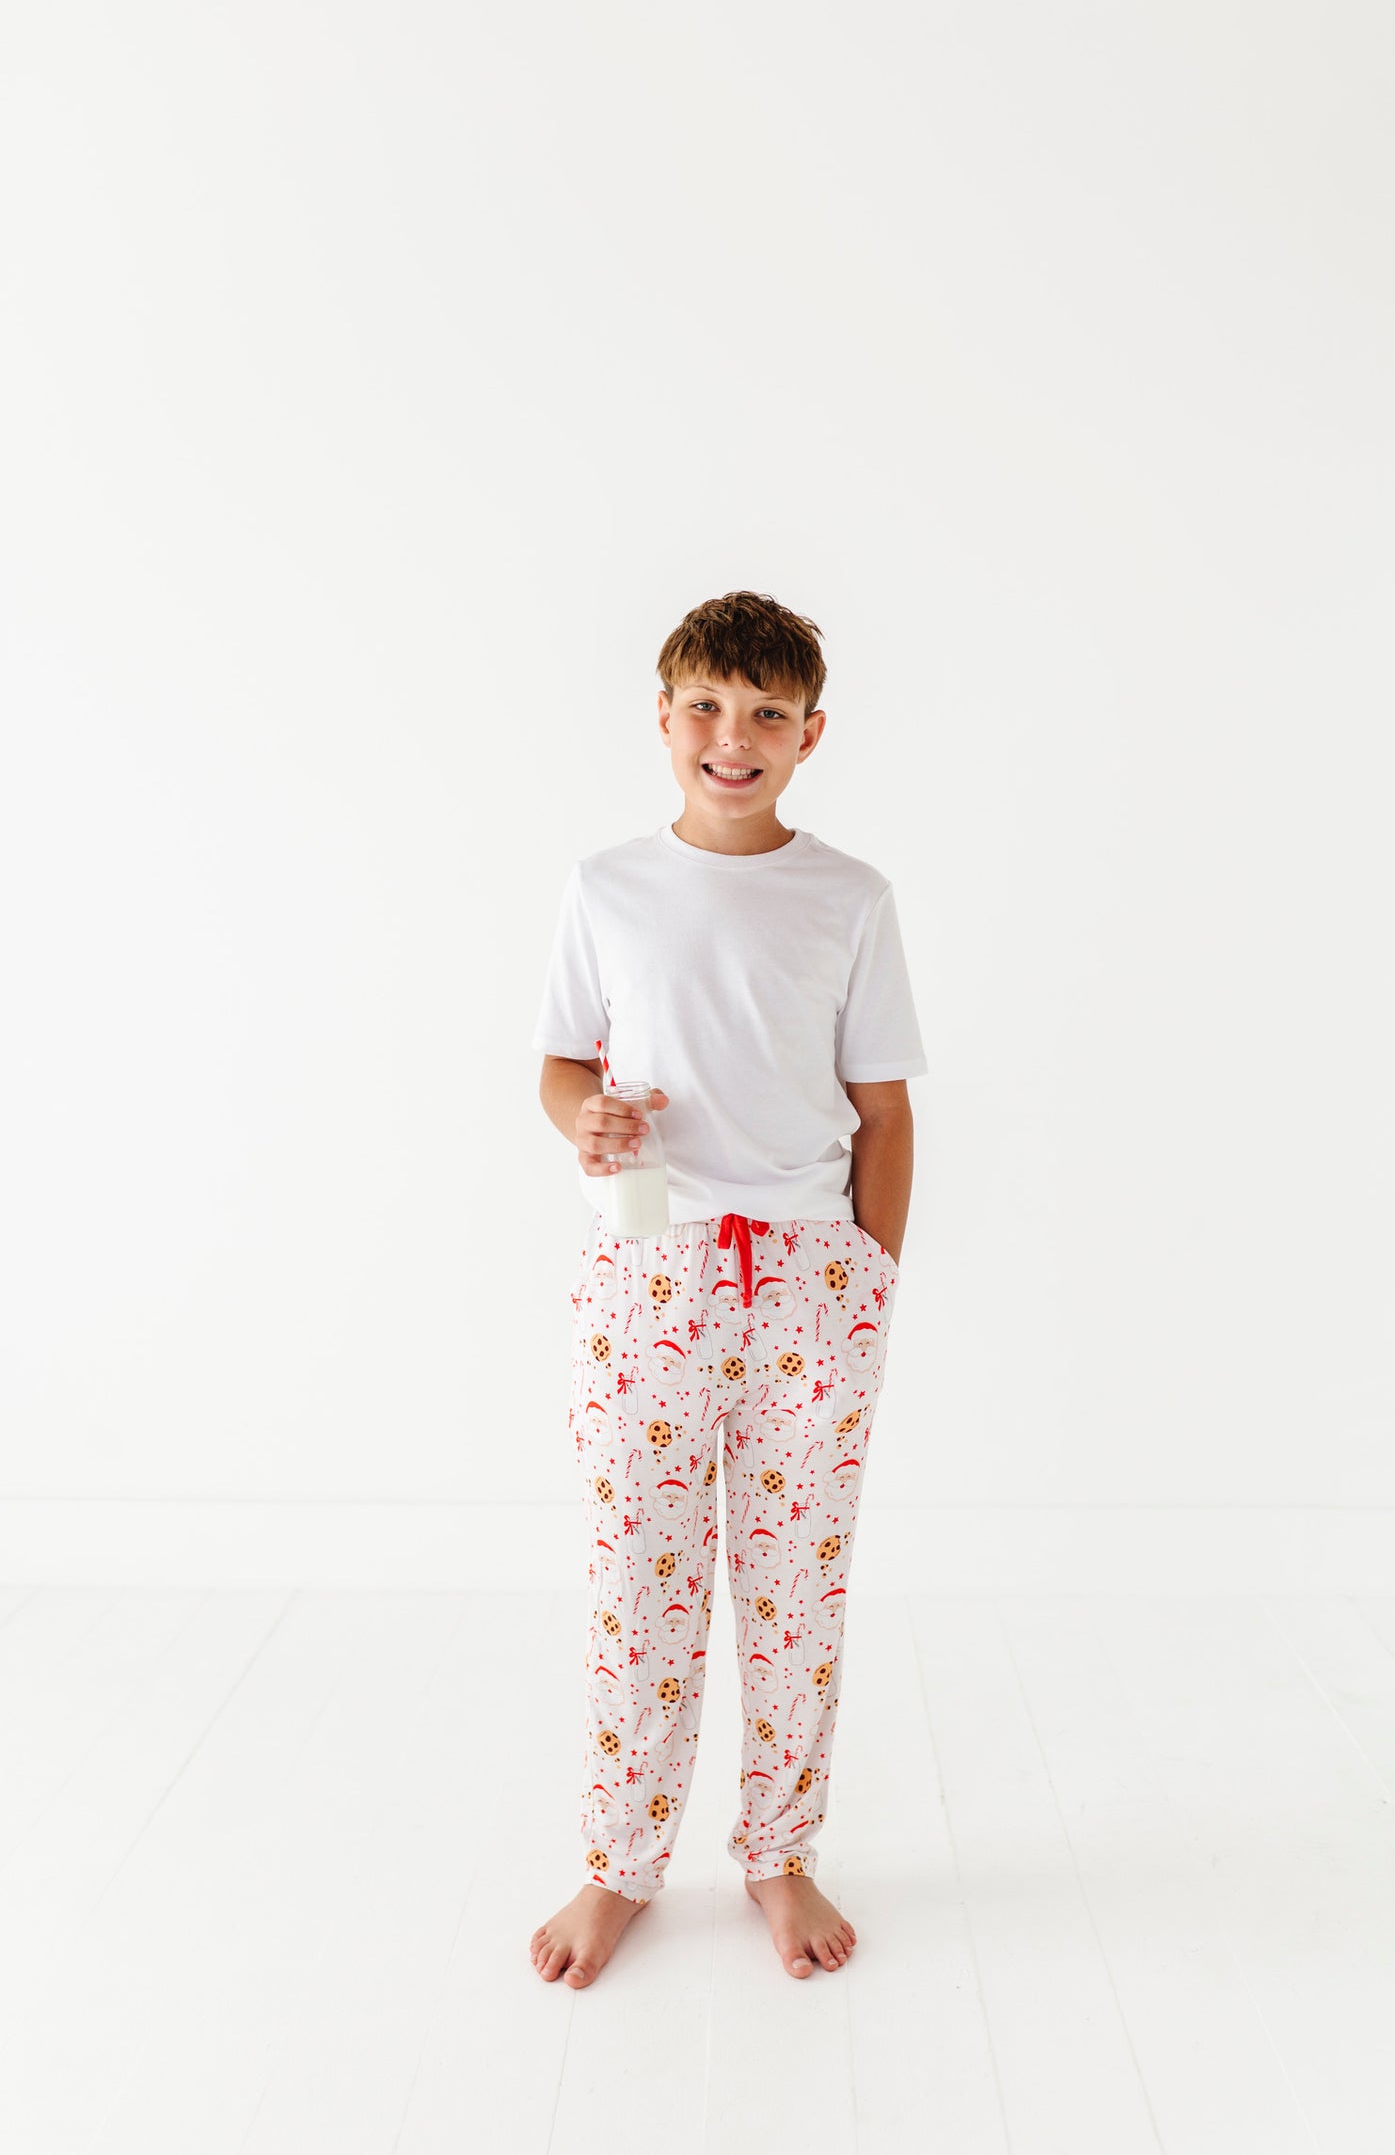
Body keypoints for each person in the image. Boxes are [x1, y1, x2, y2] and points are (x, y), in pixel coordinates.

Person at [527, 588, 927, 1987]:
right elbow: (561, 1066)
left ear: (810, 734)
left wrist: (868, 1280)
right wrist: (582, 1120)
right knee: (638, 1577)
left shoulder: (850, 900)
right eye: (706, 706)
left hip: (812, 1284)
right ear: (663, 717)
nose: (732, 737)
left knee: (794, 1587)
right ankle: (619, 1862)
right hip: (647, 1272)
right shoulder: (606, 887)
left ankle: (778, 1850)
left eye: (766, 713)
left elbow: (885, 1110)